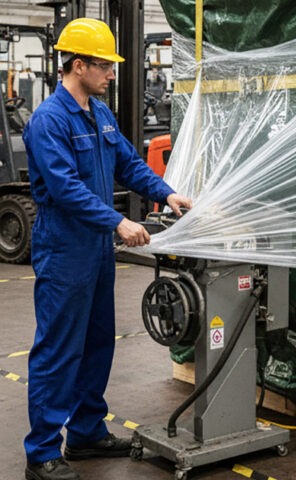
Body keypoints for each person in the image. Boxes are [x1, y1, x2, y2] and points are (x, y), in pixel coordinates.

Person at [22, 18, 192, 480]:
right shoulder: (49, 121)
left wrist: (166, 192)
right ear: (78, 65)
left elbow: (129, 163)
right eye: (104, 66)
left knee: (97, 342)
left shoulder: (100, 114)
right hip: (65, 247)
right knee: (59, 348)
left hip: (96, 248)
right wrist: (118, 221)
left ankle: (85, 432)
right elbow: (64, 188)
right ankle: (41, 453)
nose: (112, 74)